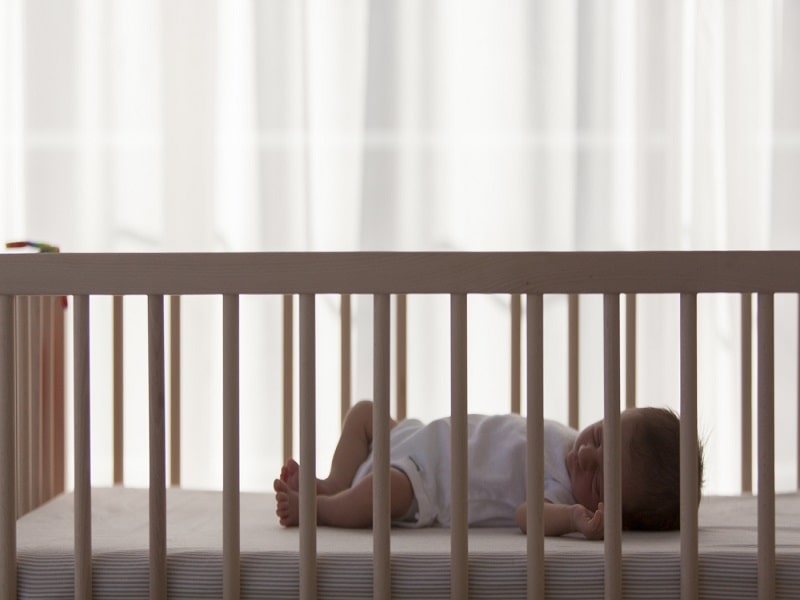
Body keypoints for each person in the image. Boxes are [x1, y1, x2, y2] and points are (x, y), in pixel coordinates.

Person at [273, 400, 704, 539]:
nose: (586, 455)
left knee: (383, 490)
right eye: (602, 436)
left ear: (606, 510)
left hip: (424, 481)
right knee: (365, 412)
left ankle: (320, 510)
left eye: (597, 478)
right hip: (418, 438)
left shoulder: (560, 494)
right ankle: (332, 484)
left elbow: (526, 516)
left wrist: (573, 520)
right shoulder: (569, 443)